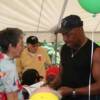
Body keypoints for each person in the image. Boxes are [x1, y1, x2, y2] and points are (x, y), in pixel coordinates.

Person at [54, 15, 100, 100]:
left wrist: (73, 91)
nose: (65, 39)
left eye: (68, 34)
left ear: (80, 30)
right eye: (63, 34)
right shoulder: (64, 49)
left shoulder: (96, 52)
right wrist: (51, 84)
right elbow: (61, 75)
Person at [0, 28, 24, 100]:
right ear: (11, 46)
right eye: (21, 44)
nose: (23, 48)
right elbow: (12, 96)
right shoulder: (8, 67)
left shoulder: (5, 60)